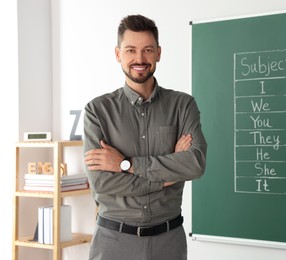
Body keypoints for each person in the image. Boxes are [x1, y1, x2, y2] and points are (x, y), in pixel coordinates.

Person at [83, 14, 207, 260]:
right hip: (112, 244)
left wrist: (124, 165)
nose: (139, 59)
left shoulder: (183, 105)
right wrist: (169, 171)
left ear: (158, 53)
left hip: (168, 243)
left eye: (147, 50)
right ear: (118, 54)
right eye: (131, 50)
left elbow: (194, 164)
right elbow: (103, 183)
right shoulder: (97, 111)